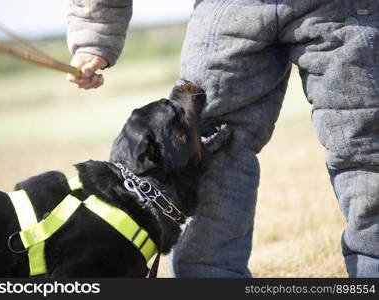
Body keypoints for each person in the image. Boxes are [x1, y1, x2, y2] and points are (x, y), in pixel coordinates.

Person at [67, 0, 379, 278]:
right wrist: (94, 36)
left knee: (368, 151)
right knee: (198, 152)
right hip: (234, 10)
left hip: (337, 8)